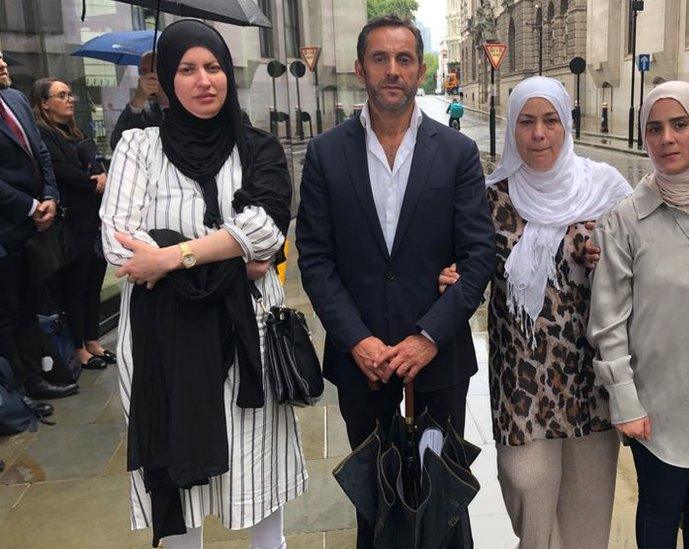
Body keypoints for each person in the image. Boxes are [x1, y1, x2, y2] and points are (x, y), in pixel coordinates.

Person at [100, 20, 305, 548]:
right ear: (167, 80)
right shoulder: (138, 148)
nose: (203, 80)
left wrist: (170, 255)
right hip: (163, 343)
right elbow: (120, 244)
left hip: (247, 340)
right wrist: (230, 257)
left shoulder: (256, 147)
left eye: (213, 67)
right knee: (180, 491)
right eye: (187, 70)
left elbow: (266, 228)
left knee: (257, 481)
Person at [295, 14, 494, 548]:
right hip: (363, 365)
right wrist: (356, 339)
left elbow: (479, 256)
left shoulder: (456, 154)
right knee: (376, 497)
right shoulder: (325, 153)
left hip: (439, 360)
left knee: (443, 501)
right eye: (379, 59)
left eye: (404, 59)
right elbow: (314, 258)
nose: (392, 70)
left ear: (418, 69)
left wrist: (427, 337)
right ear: (361, 69)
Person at [471, 76, 630, 549]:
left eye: (550, 121)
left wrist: (613, 260)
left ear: (567, 126)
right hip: (521, 382)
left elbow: (645, 264)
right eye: (526, 121)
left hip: (591, 378)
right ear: (512, 130)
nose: (538, 134)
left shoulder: (606, 188)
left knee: (587, 506)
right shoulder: (490, 195)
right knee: (527, 487)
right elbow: (467, 264)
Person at [588, 81, 689, 549]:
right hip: (659, 407)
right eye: (654, 128)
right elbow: (607, 321)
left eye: (679, 124)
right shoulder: (626, 220)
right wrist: (624, 401)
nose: (667, 138)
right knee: (659, 515)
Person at [0, 49, 80, 403]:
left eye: (2, 57)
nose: (4, 65)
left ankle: (35, 380)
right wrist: (30, 206)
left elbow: (41, 154)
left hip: (35, 227)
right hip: (6, 229)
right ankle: (19, 390)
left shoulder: (14, 98)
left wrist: (48, 196)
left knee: (29, 308)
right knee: (8, 312)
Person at [31, 78, 115, 371]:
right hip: (71, 224)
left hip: (92, 220)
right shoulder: (43, 134)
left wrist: (100, 175)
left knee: (93, 283)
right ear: (44, 102)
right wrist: (95, 182)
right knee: (75, 288)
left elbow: (94, 162)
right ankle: (78, 347)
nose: (70, 100)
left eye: (70, 94)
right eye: (61, 95)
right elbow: (62, 172)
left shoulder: (75, 133)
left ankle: (92, 340)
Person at [110, 51, 168, 150]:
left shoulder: (190, 106)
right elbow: (117, 145)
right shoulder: (144, 112)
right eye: (141, 73)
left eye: (148, 72)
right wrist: (137, 101)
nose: (142, 79)